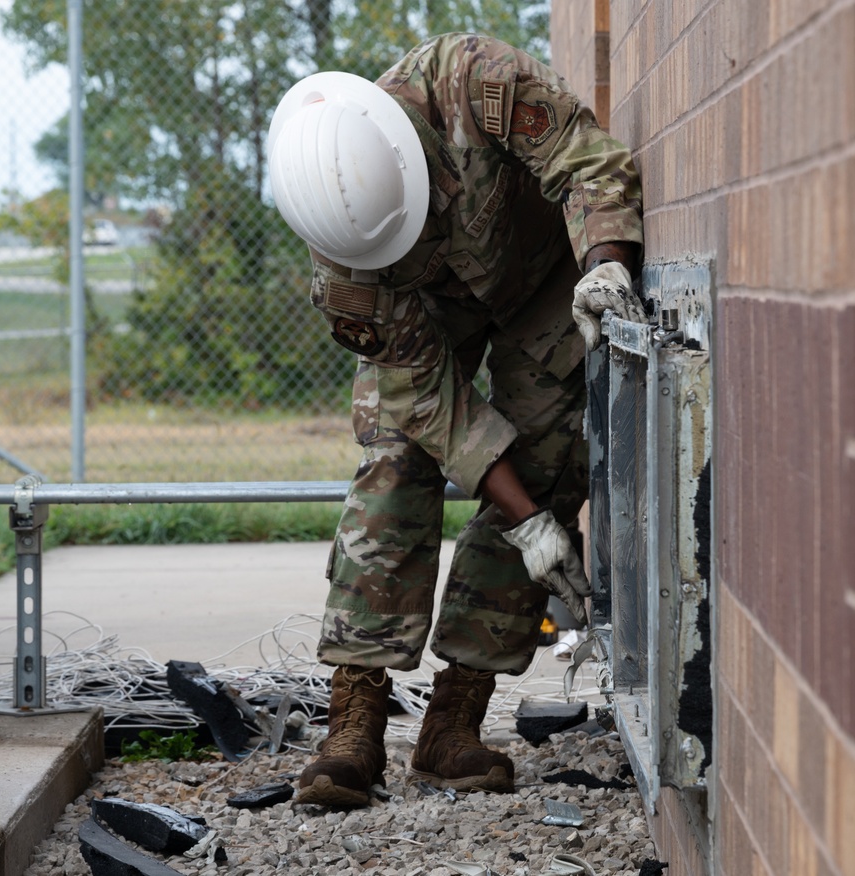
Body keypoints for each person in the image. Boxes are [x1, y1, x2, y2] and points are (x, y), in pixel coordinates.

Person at [267, 32, 645, 807]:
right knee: (395, 464)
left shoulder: (477, 82)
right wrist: (533, 528)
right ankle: (355, 720)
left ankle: (453, 725)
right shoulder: (345, 265)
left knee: (545, 456)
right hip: (427, 321)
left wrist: (606, 262)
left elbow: (589, 164)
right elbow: (432, 402)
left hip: (544, 281)